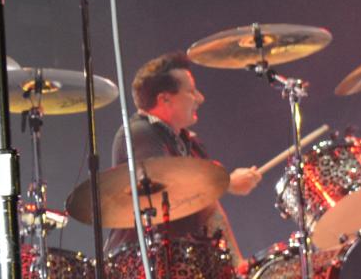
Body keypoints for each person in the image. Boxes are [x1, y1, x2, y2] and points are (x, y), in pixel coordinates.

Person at [109, 52, 261, 259]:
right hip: (141, 265)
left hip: (182, 261)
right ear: (165, 99)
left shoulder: (189, 142)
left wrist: (236, 264)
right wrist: (224, 182)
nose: (200, 98)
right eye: (191, 91)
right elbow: (164, 192)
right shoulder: (139, 133)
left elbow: (210, 211)